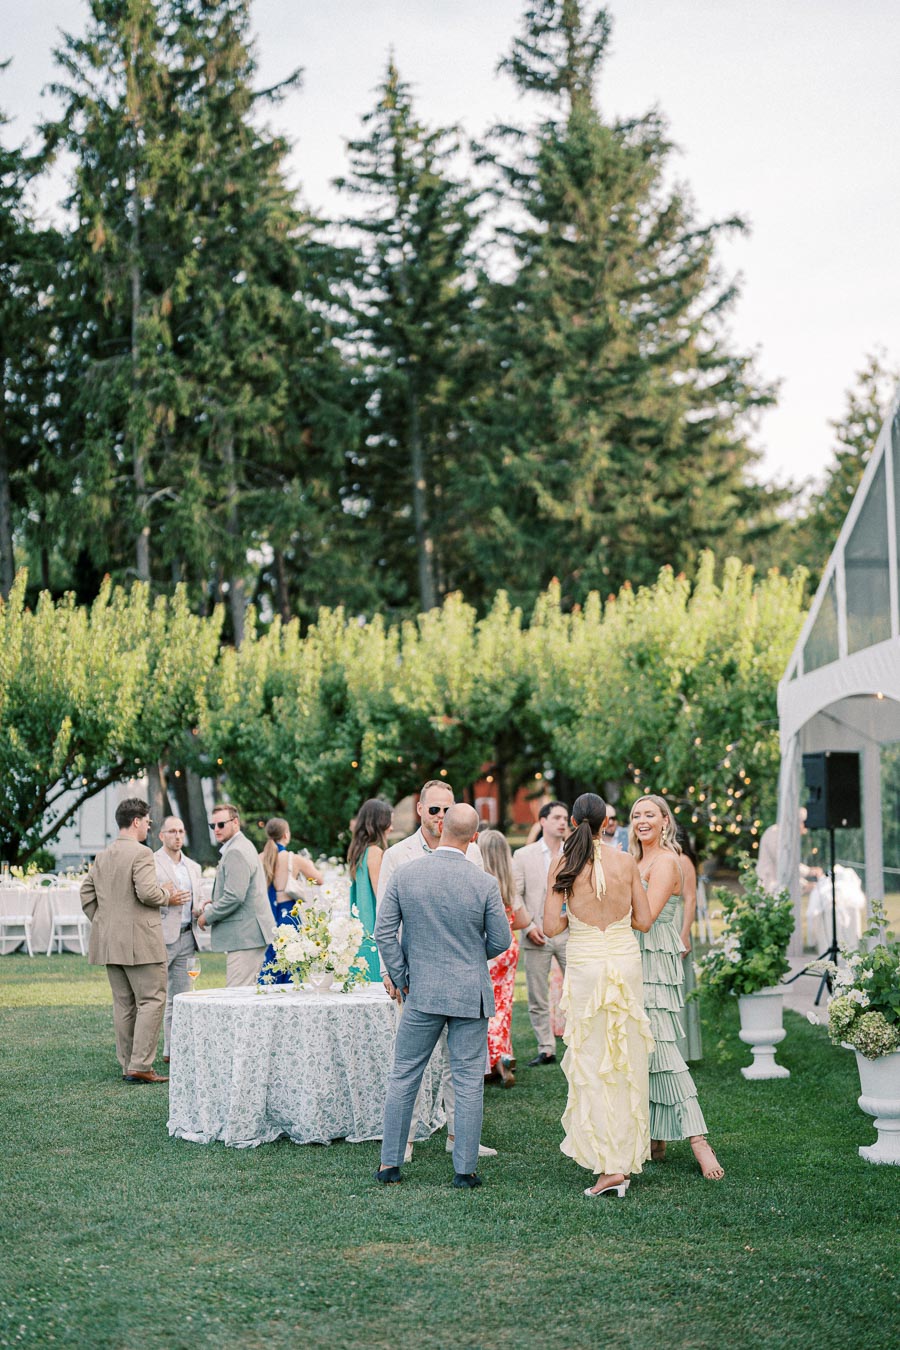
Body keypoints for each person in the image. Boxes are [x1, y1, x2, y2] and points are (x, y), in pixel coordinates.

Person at [373, 804, 512, 1188]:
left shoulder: (406, 874)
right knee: (468, 1080)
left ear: (441, 826)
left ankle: (390, 1165)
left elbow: (383, 932)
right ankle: (464, 1171)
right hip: (469, 992)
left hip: (421, 991)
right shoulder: (483, 882)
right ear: (474, 837)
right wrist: (468, 958)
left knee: (404, 1075)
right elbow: (501, 939)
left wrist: (402, 976)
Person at [543, 792, 653, 1197]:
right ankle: (619, 1163)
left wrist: (576, 913)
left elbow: (550, 928)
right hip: (625, 962)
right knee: (624, 1061)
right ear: (607, 823)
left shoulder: (564, 863)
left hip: (588, 965)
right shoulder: (626, 862)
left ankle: (610, 1167)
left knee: (593, 1062)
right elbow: (642, 920)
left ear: (574, 823)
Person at [630, 794, 724, 1180]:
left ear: (665, 821)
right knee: (640, 1046)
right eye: (636, 815)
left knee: (663, 1048)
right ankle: (656, 1138)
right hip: (632, 958)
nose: (641, 820)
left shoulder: (667, 861)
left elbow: (647, 917)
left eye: (649, 814)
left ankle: (700, 1141)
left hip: (654, 960)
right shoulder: (634, 861)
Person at [80, 797, 183, 1083]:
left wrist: (105, 923)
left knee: (124, 1004)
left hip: (110, 943)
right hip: (141, 942)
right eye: (148, 822)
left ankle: (128, 1065)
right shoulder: (141, 853)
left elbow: (86, 894)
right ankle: (141, 1065)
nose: (149, 828)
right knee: (152, 999)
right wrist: (169, 896)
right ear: (136, 821)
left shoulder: (103, 855)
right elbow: (148, 893)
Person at [512, 799, 569, 1066]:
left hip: (570, 933)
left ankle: (577, 1041)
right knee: (537, 994)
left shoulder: (575, 853)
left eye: (565, 818)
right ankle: (546, 1047)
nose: (562, 822)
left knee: (578, 989)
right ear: (543, 822)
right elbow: (515, 895)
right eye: (557, 817)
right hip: (536, 934)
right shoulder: (523, 856)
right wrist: (529, 926)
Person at [198, 804, 274, 987]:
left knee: (236, 997)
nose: (216, 829)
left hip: (245, 936)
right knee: (246, 995)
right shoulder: (242, 846)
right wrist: (215, 901)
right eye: (212, 826)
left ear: (236, 822)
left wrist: (206, 917)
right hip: (249, 935)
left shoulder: (236, 851)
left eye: (221, 824)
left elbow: (235, 896)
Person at [479, 829, 530, 1088]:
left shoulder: (479, 880)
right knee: (503, 1006)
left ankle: (492, 1063)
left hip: (487, 950)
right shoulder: (509, 881)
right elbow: (523, 920)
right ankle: (504, 1056)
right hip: (509, 949)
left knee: (486, 1008)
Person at [155, 816, 204, 1064]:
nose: (177, 836)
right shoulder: (151, 863)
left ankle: (173, 1051)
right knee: (156, 997)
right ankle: (143, 1052)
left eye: (181, 831)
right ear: (161, 835)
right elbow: (144, 897)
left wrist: (202, 907)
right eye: (172, 831)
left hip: (188, 936)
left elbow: (201, 898)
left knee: (182, 998)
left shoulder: (193, 867)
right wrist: (167, 898)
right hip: (161, 938)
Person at [258, 817, 324, 985]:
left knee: (271, 958)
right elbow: (319, 880)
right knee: (291, 957)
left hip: (267, 914)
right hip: (288, 914)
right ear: (286, 835)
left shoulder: (260, 858)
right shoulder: (293, 859)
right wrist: (308, 864)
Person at [348, 799, 393, 982]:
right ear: (380, 823)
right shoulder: (374, 853)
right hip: (373, 937)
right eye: (389, 822)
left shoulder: (357, 852)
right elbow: (382, 897)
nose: (391, 827)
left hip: (360, 935)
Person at [674, 824, 703, 1063]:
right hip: (656, 923)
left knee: (679, 987)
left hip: (676, 923)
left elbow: (690, 898)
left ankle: (681, 1049)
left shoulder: (683, 860)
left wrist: (684, 934)